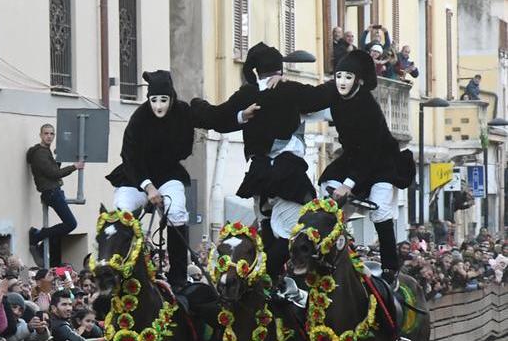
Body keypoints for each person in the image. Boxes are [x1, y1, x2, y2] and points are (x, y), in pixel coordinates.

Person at [106, 70, 254, 289]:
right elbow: (129, 156)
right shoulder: (138, 118)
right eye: (153, 100)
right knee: (121, 210)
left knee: (176, 210)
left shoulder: (184, 111)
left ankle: (178, 277)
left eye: (163, 100)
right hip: (136, 175)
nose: (158, 106)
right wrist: (148, 187)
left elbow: (213, 117)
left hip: (168, 174)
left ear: (171, 98)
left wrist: (240, 116)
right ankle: (119, 270)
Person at [214, 42, 323, 281]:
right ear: (279, 71)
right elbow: (324, 100)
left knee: (269, 230)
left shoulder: (248, 95)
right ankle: (272, 276)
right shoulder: (288, 92)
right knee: (295, 231)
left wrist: (239, 115)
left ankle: (269, 278)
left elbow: (217, 116)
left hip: (260, 175)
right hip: (286, 174)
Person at [315, 50, 412, 287]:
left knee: (380, 214)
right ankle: (331, 253)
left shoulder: (368, 107)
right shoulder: (334, 95)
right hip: (354, 158)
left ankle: (390, 269)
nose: (342, 82)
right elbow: (308, 97)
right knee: (328, 189)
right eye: (339, 76)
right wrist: (276, 85)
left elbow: (369, 153)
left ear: (358, 80)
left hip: (381, 163)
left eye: (348, 77)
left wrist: (349, 185)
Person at [27, 123, 84, 267]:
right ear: (40, 135)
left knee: (67, 225)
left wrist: (58, 158)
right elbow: (53, 174)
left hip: (54, 191)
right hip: (51, 192)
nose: (49, 136)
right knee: (71, 224)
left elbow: (53, 170)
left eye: (52, 134)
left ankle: (41, 238)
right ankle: (38, 235)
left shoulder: (46, 151)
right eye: (46, 133)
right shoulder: (40, 153)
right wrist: (74, 167)